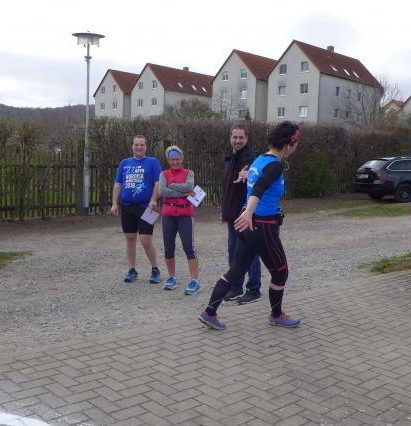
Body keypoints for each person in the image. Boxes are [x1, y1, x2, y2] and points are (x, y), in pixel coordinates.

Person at [199, 121, 302, 330]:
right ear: (288, 144)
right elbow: (260, 187)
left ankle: (209, 312)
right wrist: (248, 212)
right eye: (296, 143)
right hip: (262, 226)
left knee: (235, 271)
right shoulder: (275, 165)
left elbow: (255, 181)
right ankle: (276, 315)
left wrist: (247, 207)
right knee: (281, 272)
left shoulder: (260, 159)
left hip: (248, 226)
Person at [110, 135, 162, 283]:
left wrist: (154, 199)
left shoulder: (152, 162)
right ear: (132, 146)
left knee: (146, 240)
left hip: (148, 207)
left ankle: (155, 269)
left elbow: (158, 183)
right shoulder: (124, 163)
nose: (139, 147)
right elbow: (118, 184)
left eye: (142, 145)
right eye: (136, 145)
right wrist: (114, 203)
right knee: (130, 239)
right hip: (127, 207)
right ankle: (132, 270)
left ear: (146, 147)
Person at [221, 124, 262, 305]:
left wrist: (247, 173)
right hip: (232, 214)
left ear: (246, 138)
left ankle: (254, 289)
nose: (238, 141)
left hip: (246, 214)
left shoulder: (249, 158)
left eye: (241, 138)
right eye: (235, 137)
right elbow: (228, 188)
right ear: (230, 138)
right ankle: (236, 287)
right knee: (233, 252)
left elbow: (251, 173)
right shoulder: (229, 157)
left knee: (249, 252)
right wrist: (224, 211)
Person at [158, 145, 200, 295]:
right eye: (172, 160)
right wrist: (183, 193)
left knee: (189, 247)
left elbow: (189, 186)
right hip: (168, 215)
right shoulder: (163, 174)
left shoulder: (189, 173)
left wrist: (172, 186)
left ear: (182, 159)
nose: (175, 162)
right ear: (168, 160)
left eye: (177, 159)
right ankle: (172, 277)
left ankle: (194, 280)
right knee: (168, 247)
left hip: (185, 215)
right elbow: (162, 191)